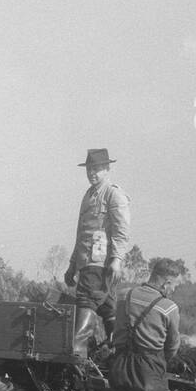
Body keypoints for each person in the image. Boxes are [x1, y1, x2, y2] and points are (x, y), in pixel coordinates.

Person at [107, 257, 183, 391]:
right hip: (149, 369)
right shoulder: (169, 307)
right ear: (166, 282)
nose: (174, 289)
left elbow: (116, 326)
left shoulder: (125, 295)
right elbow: (172, 346)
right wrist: (159, 364)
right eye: (175, 284)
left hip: (120, 365)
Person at [65, 148, 130, 355]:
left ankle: (77, 352)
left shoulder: (113, 194)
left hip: (100, 264)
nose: (92, 173)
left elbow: (121, 231)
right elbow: (81, 234)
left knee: (87, 301)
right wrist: (72, 264)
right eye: (89, 169)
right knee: (107, 307)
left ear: (107, 168)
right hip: (88, 263)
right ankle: (115, 352)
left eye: (97, 169)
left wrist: (117, 260)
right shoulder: (89, 195)